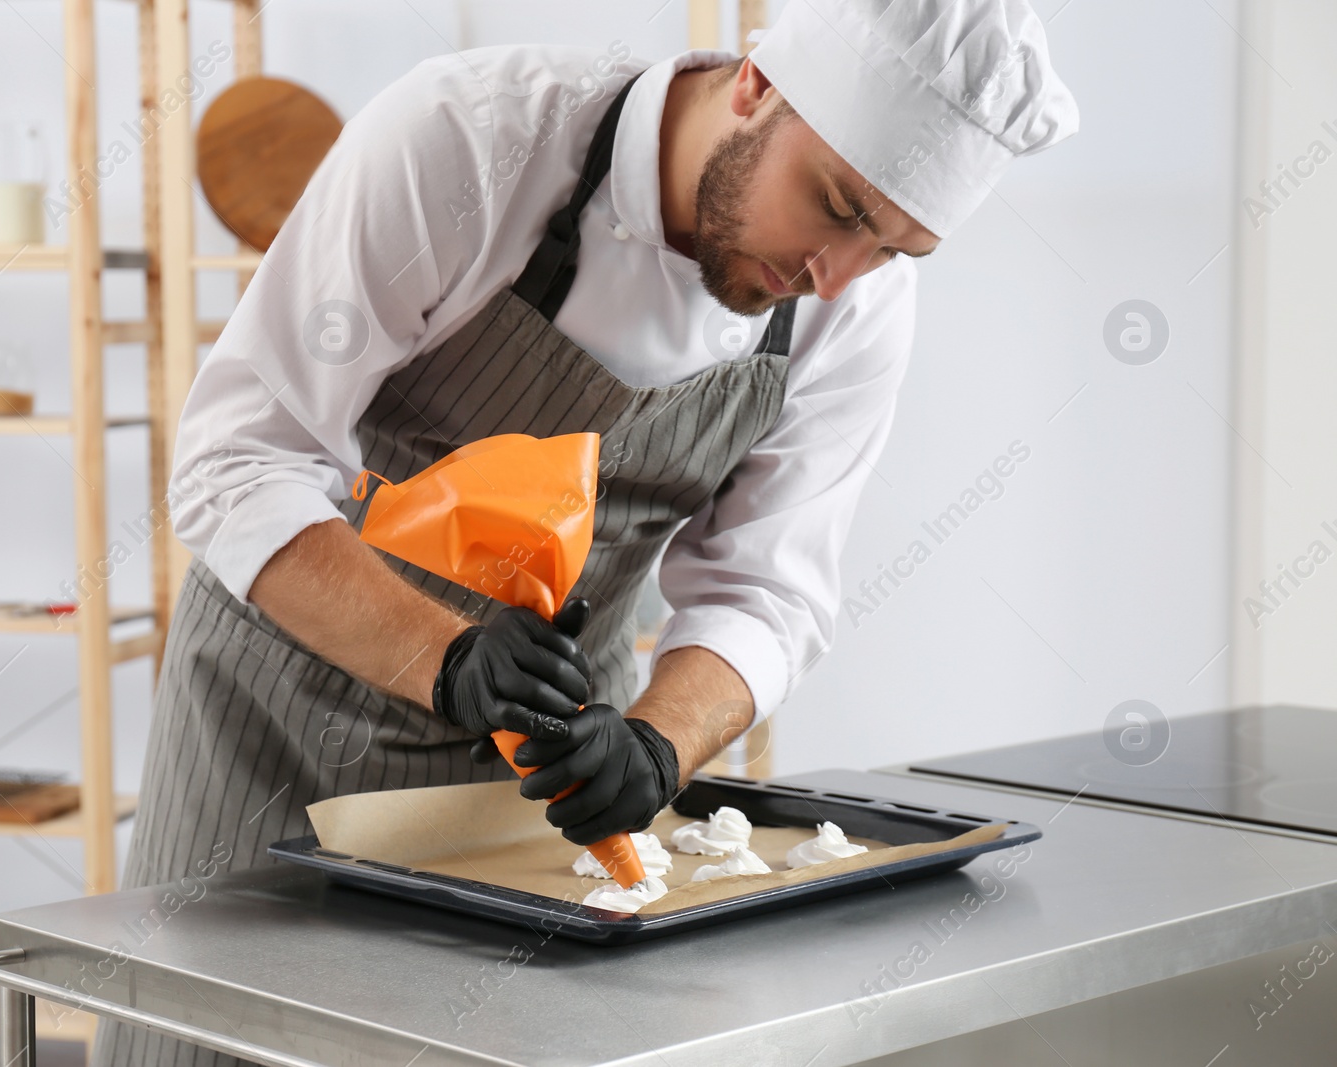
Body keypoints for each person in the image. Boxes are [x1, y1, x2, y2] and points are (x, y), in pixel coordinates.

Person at [99, 0, 1076, 1062]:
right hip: (279, 720)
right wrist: (446, 656)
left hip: (543, 767)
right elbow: (239, 456)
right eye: (836, 206)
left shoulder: (851, 305)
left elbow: (767, 589)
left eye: (895, 248)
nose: (836, 275)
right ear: (755, 85)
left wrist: (656, 741)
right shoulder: (466, 139)